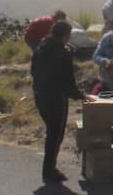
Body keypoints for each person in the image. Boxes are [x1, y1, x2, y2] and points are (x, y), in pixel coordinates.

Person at [32, 20, 86, 183]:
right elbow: (67, 81)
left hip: (40, 94)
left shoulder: (40, 47)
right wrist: (80, 95)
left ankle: (49, 169)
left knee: (51, 131)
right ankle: (49, 171)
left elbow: (33, 71)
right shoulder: (63, 53)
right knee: (55, 135)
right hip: (55, 97)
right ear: (65, 35)